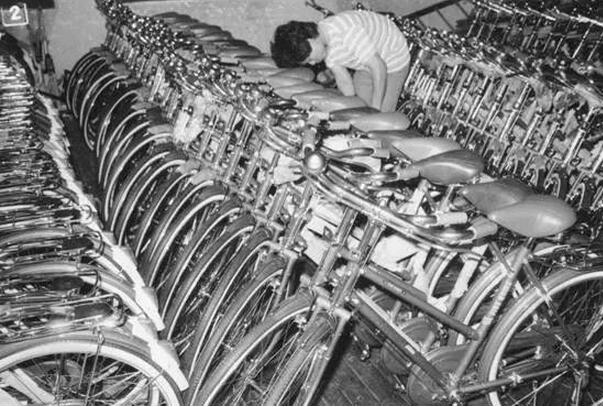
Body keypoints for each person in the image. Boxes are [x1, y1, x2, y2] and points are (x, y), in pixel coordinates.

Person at [271, 9, 411, 112]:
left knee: (381, 119)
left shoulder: (347, 32)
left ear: (311, 40)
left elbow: (379, 67)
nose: (313, 63)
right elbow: (344, 80)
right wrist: (346, 107)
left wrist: (376, 108)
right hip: (366, 61)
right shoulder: (323, 45)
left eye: (310, 59)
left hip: (392, 59)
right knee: (361, 107)